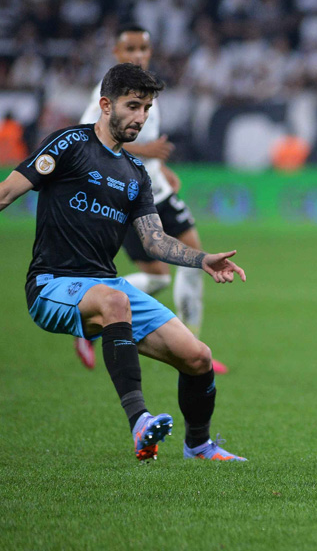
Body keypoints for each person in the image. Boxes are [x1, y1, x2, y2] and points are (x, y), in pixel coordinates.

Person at [0, 63, 246, 462]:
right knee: (116, 303)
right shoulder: (68, 144)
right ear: (105, 104)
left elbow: (153, 240)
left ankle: (198, 446)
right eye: (133, 106)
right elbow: (5, 194)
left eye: (147, 108)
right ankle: (139, 422)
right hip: (51, 284)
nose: (141, 118)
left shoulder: (135, 174)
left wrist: (202, 260)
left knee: (198, 357)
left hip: (105, 285)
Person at [73, 24, 227, 375]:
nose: (139, 55)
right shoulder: (106, 91)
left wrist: (160, 165)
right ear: (117, 53)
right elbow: (91, 138)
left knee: (197, 262)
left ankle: (194, 345)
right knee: (158, 277)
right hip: (130, 198)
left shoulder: (146, 88)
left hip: (159, 191)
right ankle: (87, 313)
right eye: (130, 49)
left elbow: (142, 141)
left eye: (144, 48)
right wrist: (148, 151)